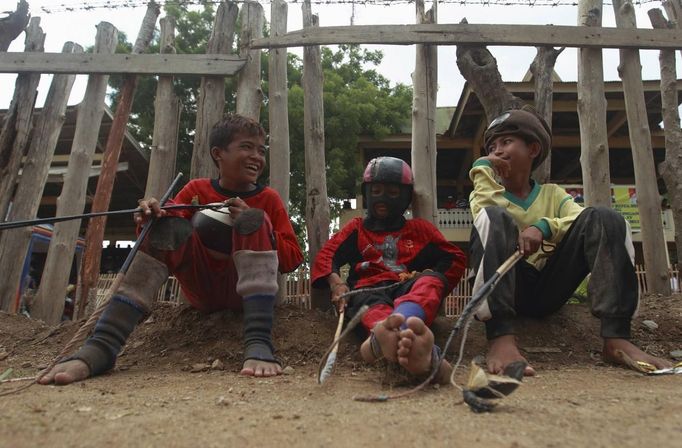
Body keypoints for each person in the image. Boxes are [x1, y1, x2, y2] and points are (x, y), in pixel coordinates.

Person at [39, 114, 303, 385]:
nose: (256, 156)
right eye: (246, 147)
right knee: (168, 224)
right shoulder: (196, 190)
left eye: (261, 150)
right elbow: (161, 241)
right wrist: (150, 217)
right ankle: (103, 345)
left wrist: (257, 225)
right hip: (201, 289)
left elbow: (293, 258)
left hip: (247, 296)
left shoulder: (268, 198)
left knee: (256, 220)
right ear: (218, 154)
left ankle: (259, 341)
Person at [468, 107, 672, 377]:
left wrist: (543, 227)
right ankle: (500, 336)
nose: (497, 152)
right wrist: (482, 168)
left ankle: (616, 337)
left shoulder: (552, 194)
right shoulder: (484, 192)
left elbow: (578, 219)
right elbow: (486, 211)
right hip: (507, 281)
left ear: (533, 149)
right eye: (491, 147)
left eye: (506, 142)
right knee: (492, 217)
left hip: (548, 286)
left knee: (605, 218)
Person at [312, 157, 466, 384]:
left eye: (393, 193)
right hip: (366, 289)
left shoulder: (420, 230)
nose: (382, 198)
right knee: (367, 305)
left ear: (406, 197)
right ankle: (393, 336)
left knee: (429, 282)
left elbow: (454, 258)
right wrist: (337, 284)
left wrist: (434, 282)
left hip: (406, 289)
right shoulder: (356, 228)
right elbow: (327, 255)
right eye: (376, 190)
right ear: (367, 192)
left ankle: (398, 331)